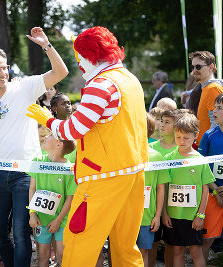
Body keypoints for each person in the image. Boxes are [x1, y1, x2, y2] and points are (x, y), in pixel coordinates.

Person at [27, 26, 148, 266]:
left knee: (78, 241)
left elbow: (73, 130)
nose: (79, 61)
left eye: (80, 55)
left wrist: (46, 119)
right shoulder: (130, 80)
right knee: (125, 247)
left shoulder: (101, 84)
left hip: (102, 178)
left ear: (92, 55)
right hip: (133, 173)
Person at [0, 26, 68, 267]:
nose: (3, 73)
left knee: (21, 231)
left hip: (26, 173)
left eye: (5, 67)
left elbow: (61, 71)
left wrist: (46, 45)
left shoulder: (25, 86)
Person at [162, 114, 215, 267]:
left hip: (193, 217)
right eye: (178, 137)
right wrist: (165, 213)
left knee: (195, 252)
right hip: (173, 216)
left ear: (195, 136)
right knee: (177, 251)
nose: (182, 141)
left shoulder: (200, 160)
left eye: (186, 137)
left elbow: (206, 190)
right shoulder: (169, 159)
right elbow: (164, 187)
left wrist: (201, 215)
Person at [28, 134, 76, 267]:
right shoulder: (37, 160)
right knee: (42, 256)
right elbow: (31, 189)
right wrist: (32, 214)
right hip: (40, 219)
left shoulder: (70, 168)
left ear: (59, 144)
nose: (45, 136)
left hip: (62, 220)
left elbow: (70, 199)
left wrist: (58, 220)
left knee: (62, 257)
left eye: (50, 135)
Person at [137, 114, 170, 267]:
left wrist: (157, 216)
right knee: (122, 252)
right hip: (124, 216)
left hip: (146, 217)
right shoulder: (122, 154)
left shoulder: (157, 157)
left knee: (143, 252)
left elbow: (161, 187)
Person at [198, 94, 223, 261]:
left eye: (220, 108)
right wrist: (216, 190)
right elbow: (201, 166)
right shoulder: (208, 135)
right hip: (214, 195)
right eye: (215, 107)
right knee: (206, 241)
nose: (215, 111)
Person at [188, 51, 223, 146]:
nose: (194, 70)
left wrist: (208, 147)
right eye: (193, 67)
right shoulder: (207, 88)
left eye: (198, 66)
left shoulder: (213, 88)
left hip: (210, 148)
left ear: (211, 67)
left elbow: (217, 123)